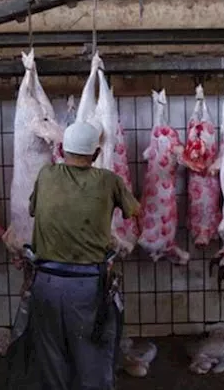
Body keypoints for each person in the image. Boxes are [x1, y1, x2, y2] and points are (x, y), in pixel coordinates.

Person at [25, 121, 140, 390]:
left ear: (62, 150)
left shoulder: (46, 174)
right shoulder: (108, 180)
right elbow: (136, 212)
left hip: (45, 283)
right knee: (92, 358)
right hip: (87, 287)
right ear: (96, 154)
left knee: (51, 358)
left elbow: (32, 209)